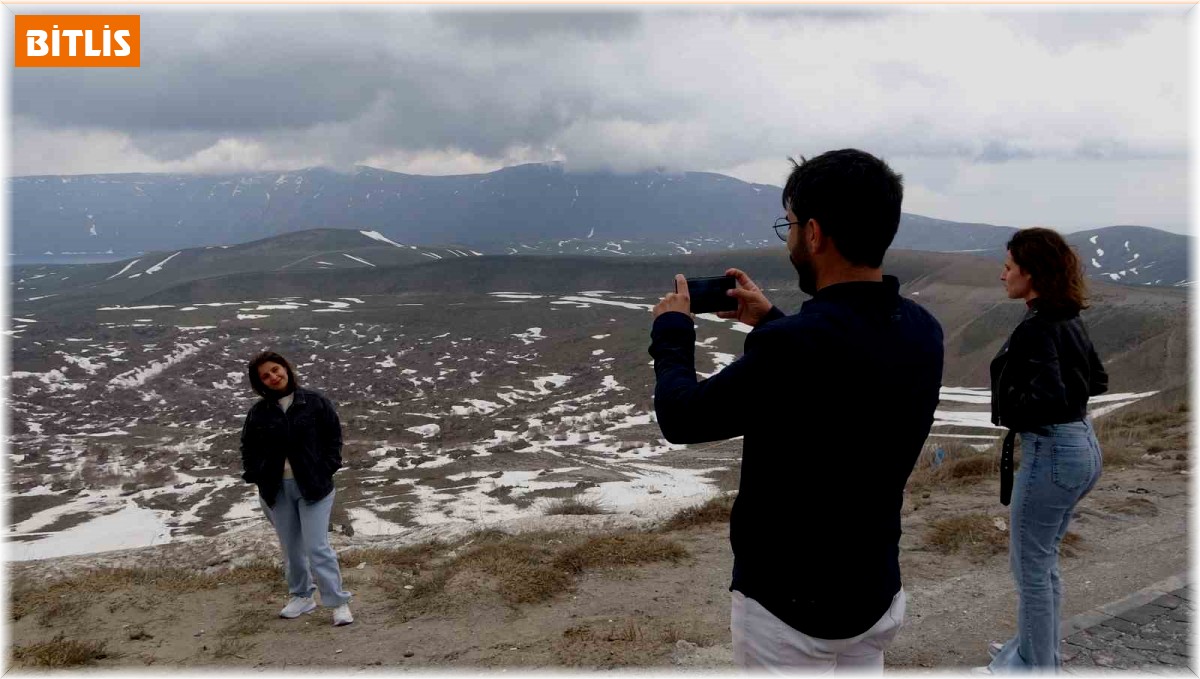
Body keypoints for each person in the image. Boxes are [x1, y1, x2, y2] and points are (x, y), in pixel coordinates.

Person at [649, 149, 944, 672]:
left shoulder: (796, 347)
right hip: (873, 588)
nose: (788, 240)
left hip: (789, 606)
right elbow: (843, 374)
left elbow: (683, 417)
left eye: (788, 225)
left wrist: (672, 332)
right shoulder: (921, 327)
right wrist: (771, 322)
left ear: (814, 233)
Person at [985, 228, 1107, 672]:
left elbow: (1050, 399)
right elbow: (1097, 381)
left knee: (1030, 570)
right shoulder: (1068, 317)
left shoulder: (1038, 326)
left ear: (1031, 273)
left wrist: (1010, 408)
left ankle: (1037, 668)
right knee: (1043, 562)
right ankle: (1035, 653)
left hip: (1052, 450)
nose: (1002, 275)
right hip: (1082, 444)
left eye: (1009, 267)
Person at [240, 350, 354, 626]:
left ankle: (337, 602)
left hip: (314, 487)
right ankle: (302, 596)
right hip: (277, 490)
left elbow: (333, 438)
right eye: (265, 376)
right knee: (291, 548)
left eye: (276, 370)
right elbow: (249, 447)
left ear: (286, 369)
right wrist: (256, 474)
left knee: (316, 546)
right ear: (260, 383)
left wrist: (326, 467)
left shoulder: (314, 402)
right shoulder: (259, 412)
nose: (273, 377)